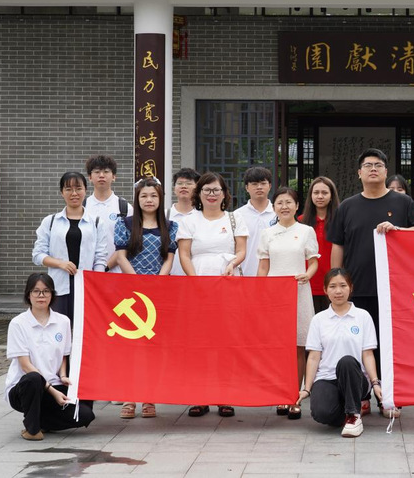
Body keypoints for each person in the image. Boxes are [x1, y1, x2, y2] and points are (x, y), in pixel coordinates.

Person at [329, 148, 414, 418]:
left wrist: (398, 230)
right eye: (368, 165)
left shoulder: (403, 203)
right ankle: (361, 395)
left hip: (394, 289)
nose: (373, 169)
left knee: (390, 344)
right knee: (357, 343)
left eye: (378, 165)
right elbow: (338, 245)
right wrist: (337, 282)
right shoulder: (347, 206)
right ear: (359, 173)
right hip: (357, 288)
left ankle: (390, 397)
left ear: (386, 171)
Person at [177, 171, 248, 418]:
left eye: (216, 190)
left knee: (225, 341)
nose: (211, 194)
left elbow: (242, 251)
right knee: (199, 342)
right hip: (197, 285)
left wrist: (232, 264)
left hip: (227, 283)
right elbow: (184, 254)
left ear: (224, 193)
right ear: (199, 194)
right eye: (206, 190)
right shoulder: (190, 220)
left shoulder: (235, 219)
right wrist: (194, 280)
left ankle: (224, 396)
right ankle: (200, 396)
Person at [114, 177, 178, 419]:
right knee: (130, 348)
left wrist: (158, 282)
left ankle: (149, 397)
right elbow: (121, 256)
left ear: (160, 199)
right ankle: (129, 397)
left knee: (153, 348)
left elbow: (169, 259)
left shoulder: (170, 226)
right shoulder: (124, 224)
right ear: (137, 199)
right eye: (144, 196)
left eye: (153, 196)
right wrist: (138, 282)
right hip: (130, 293)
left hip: (158, 293)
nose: (149, 200)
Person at [5, 273, 95, 441]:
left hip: (54, 384)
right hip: (25, 388)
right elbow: (25, 365)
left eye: (46, 291)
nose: (41, 295)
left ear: (52, 294)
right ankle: (32, 430)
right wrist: (53, 392)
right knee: (33, 378)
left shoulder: (63, 321)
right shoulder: (18, 323)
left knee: (85, 415)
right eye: (36, 291)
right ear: (28, 295)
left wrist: (63, 376)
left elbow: (64, 355)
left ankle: (40, 419)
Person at [258, 187, 319, 420]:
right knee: (277, 346)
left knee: (298, 345)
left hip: (299, 291)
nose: (284, 207)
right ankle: (280, 393)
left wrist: (307, 275)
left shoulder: (305, 231)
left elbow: (313, 261)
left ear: (297, 206)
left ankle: (295, 395)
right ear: (274, 207)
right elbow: (263, 266)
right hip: (274, 296)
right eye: (279, 203)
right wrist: (260, 292)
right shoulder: (267, 233)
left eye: (289, 202)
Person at [297, 268, 381, 438]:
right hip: (327, 377)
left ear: (351, 288)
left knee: (346, 362)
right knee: (321, 413)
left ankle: (353, 416)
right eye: (333, 286)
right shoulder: (319, 320)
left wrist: (375, 383)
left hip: (355, 378)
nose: (338, 291)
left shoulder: (363, 316)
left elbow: (367, 354)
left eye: (343, 285)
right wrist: (307, 389)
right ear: (325, 290)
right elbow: (313, 357)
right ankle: (351, 408)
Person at [32, 171, 108, 325]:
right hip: (58, 286)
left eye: (78, 188)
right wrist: (60, 263)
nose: (74, 193)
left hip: (87, 286)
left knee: (85, 329)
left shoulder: (96, 222)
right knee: (58, 328)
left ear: (85, 190)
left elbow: (100, 257)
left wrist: (96, 281)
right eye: (68, 189)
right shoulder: (50, 221)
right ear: (62, 192)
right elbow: (38, 255)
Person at [84, 154, 133, 273]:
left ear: (114, 176)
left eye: (106, 171)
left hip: (118, 273)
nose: (101, 175)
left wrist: (105, 268)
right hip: (87, 273)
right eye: (97, 172)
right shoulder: (83, 207)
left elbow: (130, 243)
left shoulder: (125, 208)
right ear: (90, 177)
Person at [299, 176, 340, 314]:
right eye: (316, 193)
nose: (320, 196)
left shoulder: (340, 221)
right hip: (307, 282)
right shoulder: (301, 221)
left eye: (324, 193)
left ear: (331, 196)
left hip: (334, 282)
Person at [239, 166, 276, 277]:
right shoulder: (237, 215)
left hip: (274, 275)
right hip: (245, 274)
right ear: (247, 187)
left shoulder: (278, 214)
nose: (259, 187)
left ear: (270, 186)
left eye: (263, 183)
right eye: (254, 184)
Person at [168, 167, 200, 276]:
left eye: (189, 183)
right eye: (180, 183)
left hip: (196, 276)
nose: (184, 186)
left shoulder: (202, 217)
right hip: (169, 276)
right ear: (174, 188)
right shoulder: (165, 215)